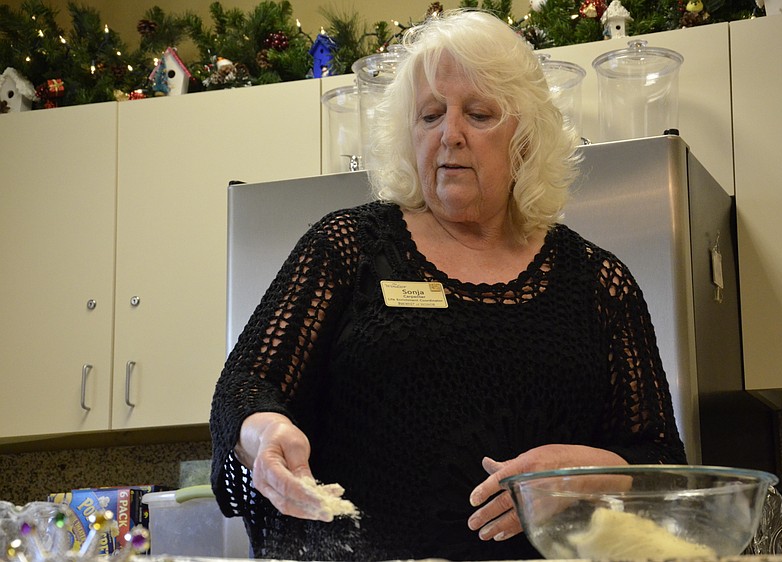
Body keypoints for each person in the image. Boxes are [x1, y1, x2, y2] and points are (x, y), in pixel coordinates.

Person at [210, 8, 687, 561]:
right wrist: (264, 433)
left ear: (526, 139)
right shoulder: (349, 247)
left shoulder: (599, 284)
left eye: (479, 114)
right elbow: (245, 384)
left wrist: (585, 474)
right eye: (430, 114)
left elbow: (662, 466)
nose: (450, 134)